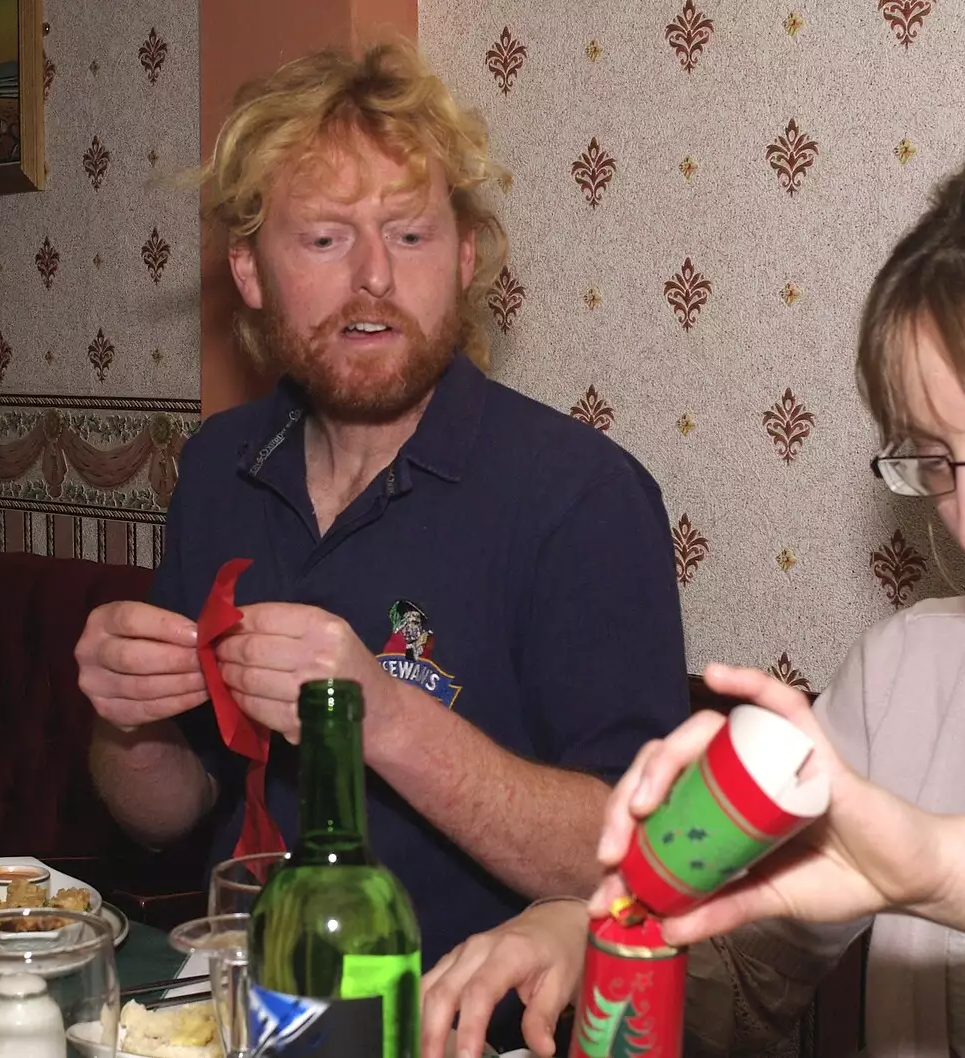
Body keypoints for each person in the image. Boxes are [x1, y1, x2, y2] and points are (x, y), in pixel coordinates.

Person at [421, 81, 965, 1058]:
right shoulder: (913, 672)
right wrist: (591, 926)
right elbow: (748, 960)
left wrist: (938, 863)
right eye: (933, 461)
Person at [73, 40, 689, 992]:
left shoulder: (582, 498)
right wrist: (128, 724)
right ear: (249, 271)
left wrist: (383, 719)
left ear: (466, 256)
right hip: (230, 1004)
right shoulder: (219, 469)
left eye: (410, 235)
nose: (373, 278)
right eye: (324, 239)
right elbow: (172, 810)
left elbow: (635, 865)